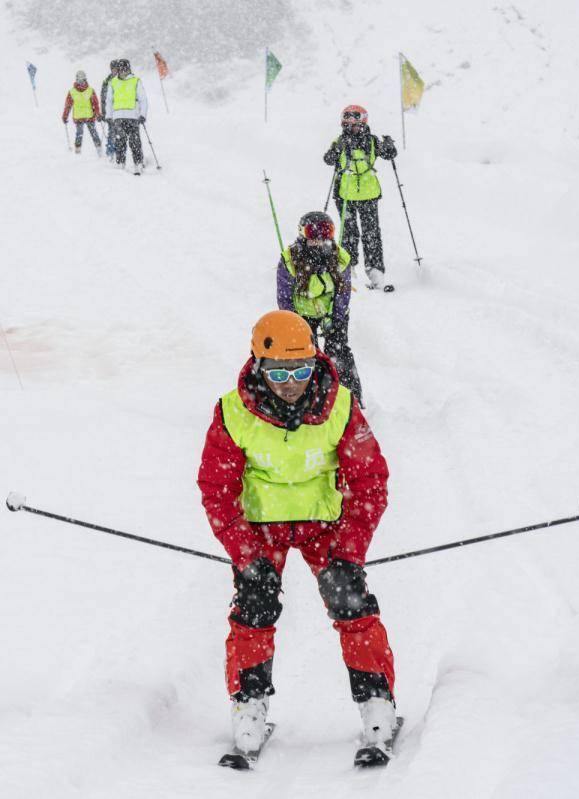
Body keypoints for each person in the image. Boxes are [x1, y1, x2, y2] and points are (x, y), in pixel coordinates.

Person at [197, 310, 395, 756]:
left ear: (315, 362)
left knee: (350, 600)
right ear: (258, 365)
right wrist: (246, 554)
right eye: (280, 371)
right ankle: (249, 706)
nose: (291, 382)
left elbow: (370, 480)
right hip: (261, 528)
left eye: (302, 369)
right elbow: (217, 488)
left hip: (324, 525)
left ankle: (377, 704)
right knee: (254, 602)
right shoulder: (232, 411)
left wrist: (349, 551)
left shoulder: (340, 405)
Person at [277, 211, 363, 405]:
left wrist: (335, 317)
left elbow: (343, 293)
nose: (320, 240)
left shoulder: (340, 258)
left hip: (332, 312)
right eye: (313, 234)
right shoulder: (290, 260)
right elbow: (284, 296)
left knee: (338, 351)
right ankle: (311, 399)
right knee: (307, 355)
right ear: (302, 235)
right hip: (302, 315)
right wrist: (295, 322)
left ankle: (351, 398)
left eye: (327, 233)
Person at [323, 105, 397, 292]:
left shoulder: (371, 141)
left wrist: (389, 146)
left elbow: (389, 154)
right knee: (348, 233)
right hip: (345, 194)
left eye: (354, 123)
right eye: (347, 123)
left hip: (368, 194)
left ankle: (375, 273)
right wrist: (337, 149)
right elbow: (328, 159)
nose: (351, 127)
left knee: (371, 233)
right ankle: (350, 269)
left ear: (363, 122)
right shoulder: (339, 141)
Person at [105, 58, 147, 175]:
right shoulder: (112, 82)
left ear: (129, 69)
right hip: (118, 116)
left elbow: (143, 99)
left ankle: (138, 163)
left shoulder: (135, 81)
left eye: (126, 69)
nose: (124, 71)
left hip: (133, 116)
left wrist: (142, 114)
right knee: (120, 140)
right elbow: (109, 101)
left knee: (135, 141)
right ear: (118, 70)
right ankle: (120, 162)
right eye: (121, 69)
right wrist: (108, 115)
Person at [61, 70, 102, 156]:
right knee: (79, 134)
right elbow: (68, 105)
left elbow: (95, 104)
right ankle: (77, 152)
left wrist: (98, 114)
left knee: (94, 133)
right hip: (78, 117)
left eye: (82, 80)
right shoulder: (72, 92)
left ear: (85, 80)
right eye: (79, 80)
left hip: (89, 116)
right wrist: (65, 116)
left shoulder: (90, 90)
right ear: (76, 80)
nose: (81, 82)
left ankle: (99, 150)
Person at [99, 60, 119, 161]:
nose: (115, 71)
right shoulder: (107, 81)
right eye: (113, 69)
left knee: (121, 132)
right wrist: (103, 112)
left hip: (121, 110)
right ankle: (111, 151)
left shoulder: (122, 79)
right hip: (110, 111)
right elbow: (103, 98)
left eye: (116, 68)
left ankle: (120, 151)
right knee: (111, 131)